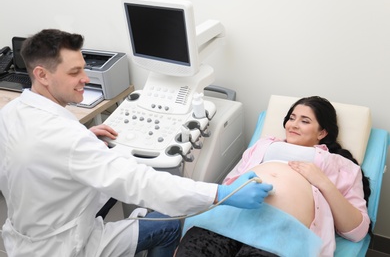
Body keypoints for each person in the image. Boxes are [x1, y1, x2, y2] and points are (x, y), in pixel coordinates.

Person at [0, 29, 274, 257]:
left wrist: (84, 137)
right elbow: (141, 182)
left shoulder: (12, 112)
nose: (85, 78)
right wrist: (220, 194)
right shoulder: (66, 139)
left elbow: (38, 156)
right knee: (169, 225)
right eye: (74, 72)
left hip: (26, 237)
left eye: (84, 68)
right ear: (42, 74)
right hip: (66, 247)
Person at [175, 96, 371, 257]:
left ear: (322, 132)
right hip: (229, 219)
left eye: (304, 121)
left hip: (282, 234)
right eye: (291, 118)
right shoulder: (262, 145)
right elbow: (229, 185)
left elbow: (357, 231)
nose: (293, 125)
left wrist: (323, 182)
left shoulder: (340, 165)